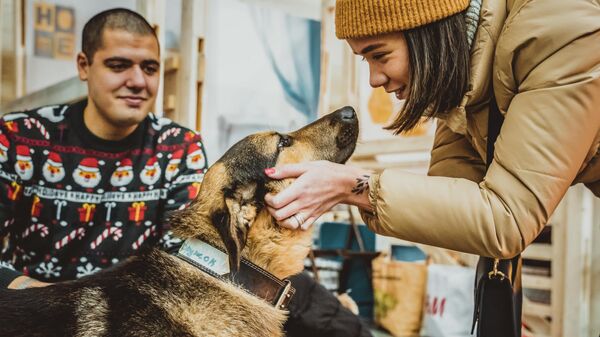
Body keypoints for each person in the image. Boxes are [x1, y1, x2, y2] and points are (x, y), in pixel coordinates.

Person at [264, 0, 600, 259]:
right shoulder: (465, 80)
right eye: (365, 60)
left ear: (428, 33)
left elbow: (506, 221)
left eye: (379, 55)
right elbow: (454, 198)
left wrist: (350, 186)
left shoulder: (558, 35)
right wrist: (347, 191)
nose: (374, 79)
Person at [0, 8, 208, 289]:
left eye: (149, 68)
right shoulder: (19, 136)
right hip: (31, 311)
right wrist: (49, 302)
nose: (137, 82)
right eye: (119, 65)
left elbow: (183, 264)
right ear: (84, 66)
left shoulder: (179, 149)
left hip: (131, 318)